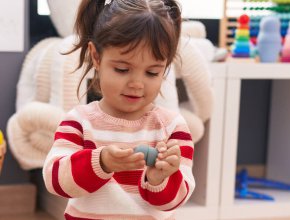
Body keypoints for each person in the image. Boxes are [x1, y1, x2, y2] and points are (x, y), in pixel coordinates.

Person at [42, 0, 195, 219]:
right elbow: (55, 180)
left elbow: (176, 201)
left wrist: (159, 178)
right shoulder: (78, 122)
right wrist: (101, 162)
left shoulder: (173, 127)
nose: (137, 83)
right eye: (122, 69)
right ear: (96, 57)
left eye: (152, 73)